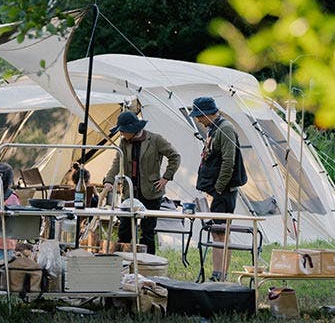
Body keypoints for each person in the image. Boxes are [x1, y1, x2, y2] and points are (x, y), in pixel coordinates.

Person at [102, 111, 181, 254]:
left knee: (148, 232)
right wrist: (109, 180)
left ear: (132, 130)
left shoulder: (156, 140)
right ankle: (124, 262)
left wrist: (166, 178)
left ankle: (147, 265)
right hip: (130, 192)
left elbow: (175, 157)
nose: (121, 134)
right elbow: (117, 162)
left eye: (123, 131)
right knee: (125, 230)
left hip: (151, 192)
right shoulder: (124, 143)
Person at [190, 96, 248, 280]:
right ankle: (217, 273)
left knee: (221, 234)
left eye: (199, 116)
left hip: (223, 193)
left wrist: (219, 188)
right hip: (216, 192)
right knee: (216, 233)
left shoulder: (226, 129)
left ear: (207, 114)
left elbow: (228, 161)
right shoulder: (214, 129)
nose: (198, 120)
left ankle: (220, 274)